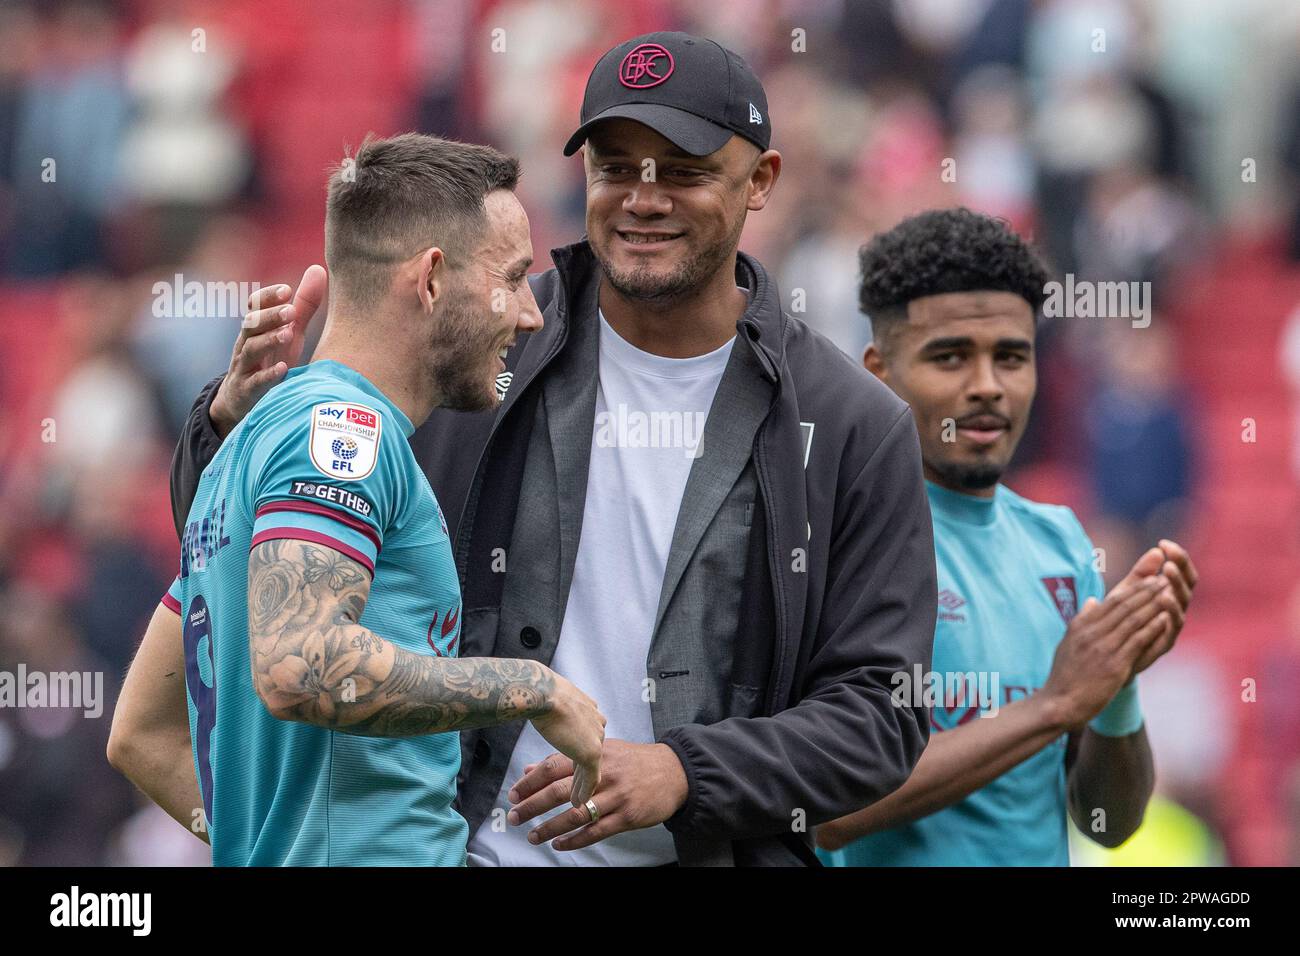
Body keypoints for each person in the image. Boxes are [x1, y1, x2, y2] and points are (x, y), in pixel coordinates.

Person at [168, 32, 938, 867]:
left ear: (762, 181)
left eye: (682, 171)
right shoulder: (471, 350)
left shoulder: (851, 424)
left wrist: (687, 771)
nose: (643, 199)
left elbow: (882, 715)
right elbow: (242, 562)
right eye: (614, 167)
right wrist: (228, 425)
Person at [109, 133, 606, 866]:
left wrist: (270, 845)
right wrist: (533, 687)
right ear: (432, 279)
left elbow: (140, 735)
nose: (528, 315)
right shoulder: (344, 432)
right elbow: (301, 664)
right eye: (510, 278)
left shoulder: (248, 440)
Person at [816, 208, 1197, 865]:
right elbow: (824, 810)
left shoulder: (1063, 545)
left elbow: (1108, 823)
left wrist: (1116, 681)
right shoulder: (831, 543)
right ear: (877, 372)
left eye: (1011, 358)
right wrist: (1054, 705)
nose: (988, 386)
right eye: (951, 357)